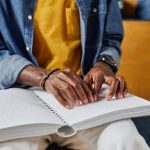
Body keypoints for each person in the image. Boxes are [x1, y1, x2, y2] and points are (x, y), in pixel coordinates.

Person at [0, 0, 149, 150]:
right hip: (21, 92)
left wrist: (104, 65)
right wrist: (43, 76)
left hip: (85, 93)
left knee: (125, 139)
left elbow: (110, 38)